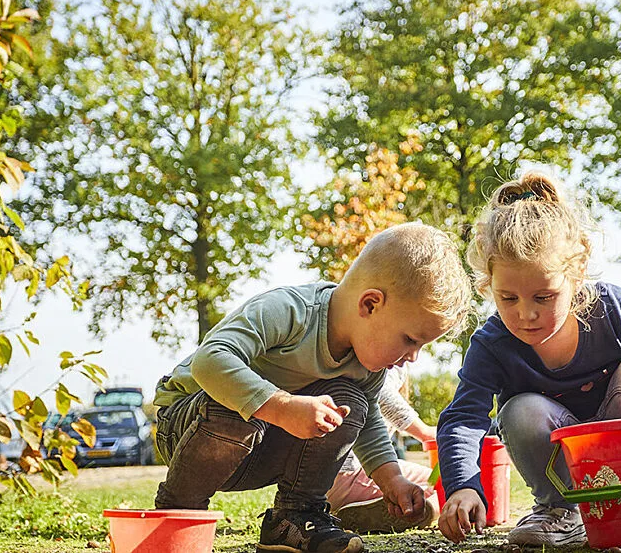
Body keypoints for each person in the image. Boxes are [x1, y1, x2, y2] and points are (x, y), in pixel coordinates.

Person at [435, 170, 621, 547]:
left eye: (543, 297)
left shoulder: (610, 309)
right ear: (488, 284)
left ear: (575, 277)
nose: (526, 314)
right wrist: (463, 486)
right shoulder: (492, 344)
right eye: (508, 298)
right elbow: (463, 417)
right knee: (518, 409)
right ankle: (559, 511)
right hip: (564, 456)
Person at [151, 223, 472, 553]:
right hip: (187, 431)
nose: (413, 358)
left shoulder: (364, 366)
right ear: (370, 305)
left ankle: (294, 518)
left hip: (260, 448)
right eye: (409, 340)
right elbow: (210, 359)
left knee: (352, 402)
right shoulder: (290, 312)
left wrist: (392, 479)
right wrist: (282, 406)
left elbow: (370, 422)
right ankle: (175, 513)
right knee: (231, 402)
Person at [328, 365, 439, 534]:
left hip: (324, 484)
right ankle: (425, 511)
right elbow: (380, 393)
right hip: (350, 474)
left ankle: (364, 509)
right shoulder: (389, 359)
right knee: (444, 484)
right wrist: (424, 432)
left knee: (430, 482)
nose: (413, 357)